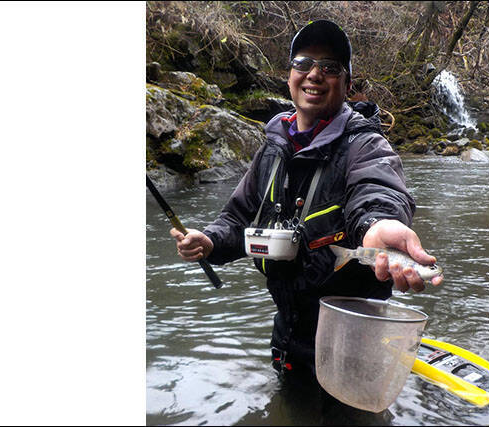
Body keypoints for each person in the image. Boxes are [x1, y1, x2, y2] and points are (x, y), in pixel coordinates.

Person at [170, 19, 443, 375]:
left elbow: (377, 189)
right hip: (288, 335)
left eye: (329, 68)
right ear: (290, 76)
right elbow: (236, 218)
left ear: (346, 85)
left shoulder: (366, 145)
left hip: (355, 339)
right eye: (303, 63)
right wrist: (208, 241)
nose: (314, 74)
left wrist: (380, 225)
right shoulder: (271, 150)